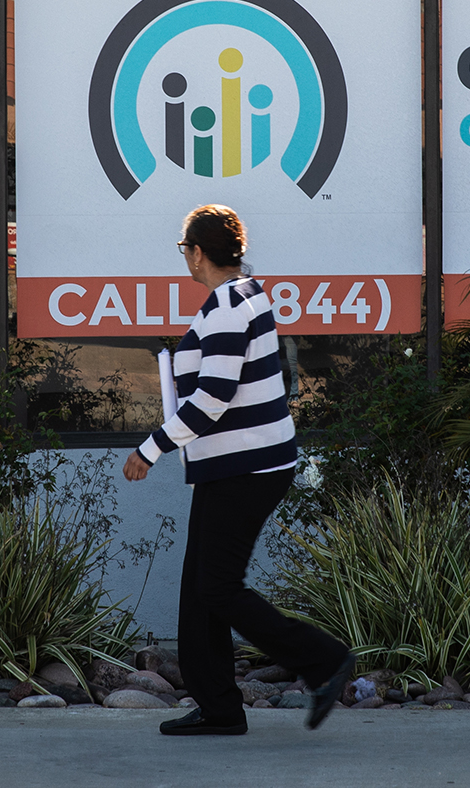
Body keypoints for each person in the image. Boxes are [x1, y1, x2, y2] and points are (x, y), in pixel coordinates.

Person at [122, 203, 355, 735]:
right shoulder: (247, 293)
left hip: (246, 468)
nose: (184, 258)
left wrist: (150, 449)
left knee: (219, 588)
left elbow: (213, 397)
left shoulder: (228, 306)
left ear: (198, 252)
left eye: (185, 250)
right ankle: (221, 708)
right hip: (235, 465)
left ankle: (324, 661)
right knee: (199, 588)